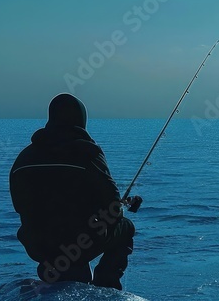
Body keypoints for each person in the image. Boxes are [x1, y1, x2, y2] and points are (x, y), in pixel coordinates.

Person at [9, 93, 141, 290]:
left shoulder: (24, 158)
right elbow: (112, 207)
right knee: (126, 227)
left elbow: (20, 206)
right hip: (78, 244)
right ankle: (106, 287)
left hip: (37, 245)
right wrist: (122, 206)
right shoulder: (87, 153)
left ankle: (58, 271)